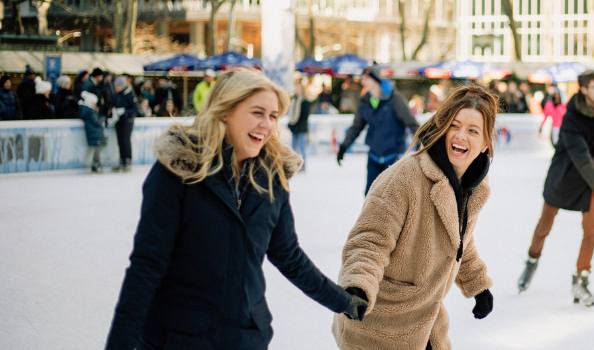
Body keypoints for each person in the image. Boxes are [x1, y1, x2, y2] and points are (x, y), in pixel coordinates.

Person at [105, 70, 366, 350]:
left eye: (273, 116)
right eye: (257, 112)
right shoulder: (179, 170)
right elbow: (147, 265)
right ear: (226, 110)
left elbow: (289, 256)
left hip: (246, 336)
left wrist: (345, 302)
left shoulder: (271, 178)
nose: (266, 124)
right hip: (179, 337)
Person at [333, 85, 497, 350]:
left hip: (426, 323)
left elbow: (458, 239)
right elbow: (370, 241)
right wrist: (357, 286)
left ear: (485, 142)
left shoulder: (470, 187)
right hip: (379, 324)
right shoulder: (404, 179)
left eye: (473, 130)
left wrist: (477, 283)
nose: (460, 136)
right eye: (454, 125)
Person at [517, 70, 594, 308]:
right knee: (544, 227)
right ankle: (532, 260)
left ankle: (581, 280)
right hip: (563, 178)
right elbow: (580, 157)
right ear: (583, 89)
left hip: (589, 180)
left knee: (590, 229)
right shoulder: (571, 119)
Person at [337, 66, 419, 194]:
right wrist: (344, 146)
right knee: (370, 196)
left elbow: (412, 124)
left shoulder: (395, 99)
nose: (363, 81)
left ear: (375, 80)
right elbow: (356, 127)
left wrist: (421, 145)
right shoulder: (366, 101)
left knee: (392, 198)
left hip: (394, 158)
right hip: (374, 156)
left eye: (366, 78)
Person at [111, 76, 139, 172]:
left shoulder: (130, 94)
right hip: (118, 120)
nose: (116, 88)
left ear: (122, 86)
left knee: (125, 140)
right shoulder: (117, 94)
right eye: (115, 87)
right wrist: (114, 111)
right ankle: (122, 160)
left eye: (117, 86)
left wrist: (124, 111)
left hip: (127, 121)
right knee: (120, 141)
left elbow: (135, 109)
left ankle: (127, 160)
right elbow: (113, 103)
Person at [288, 82, 312, 171]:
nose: (296, 90)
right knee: (293, 149)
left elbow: (305, 116)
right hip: (294, 128)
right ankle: (294, 165)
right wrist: (291, 124)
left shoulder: (305, 102)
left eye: (298, 88)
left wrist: (296, 123)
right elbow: (291, 114)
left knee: (302, 148)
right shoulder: (293, 100)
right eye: (295, 88)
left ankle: (303, 166)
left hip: (301, 128)